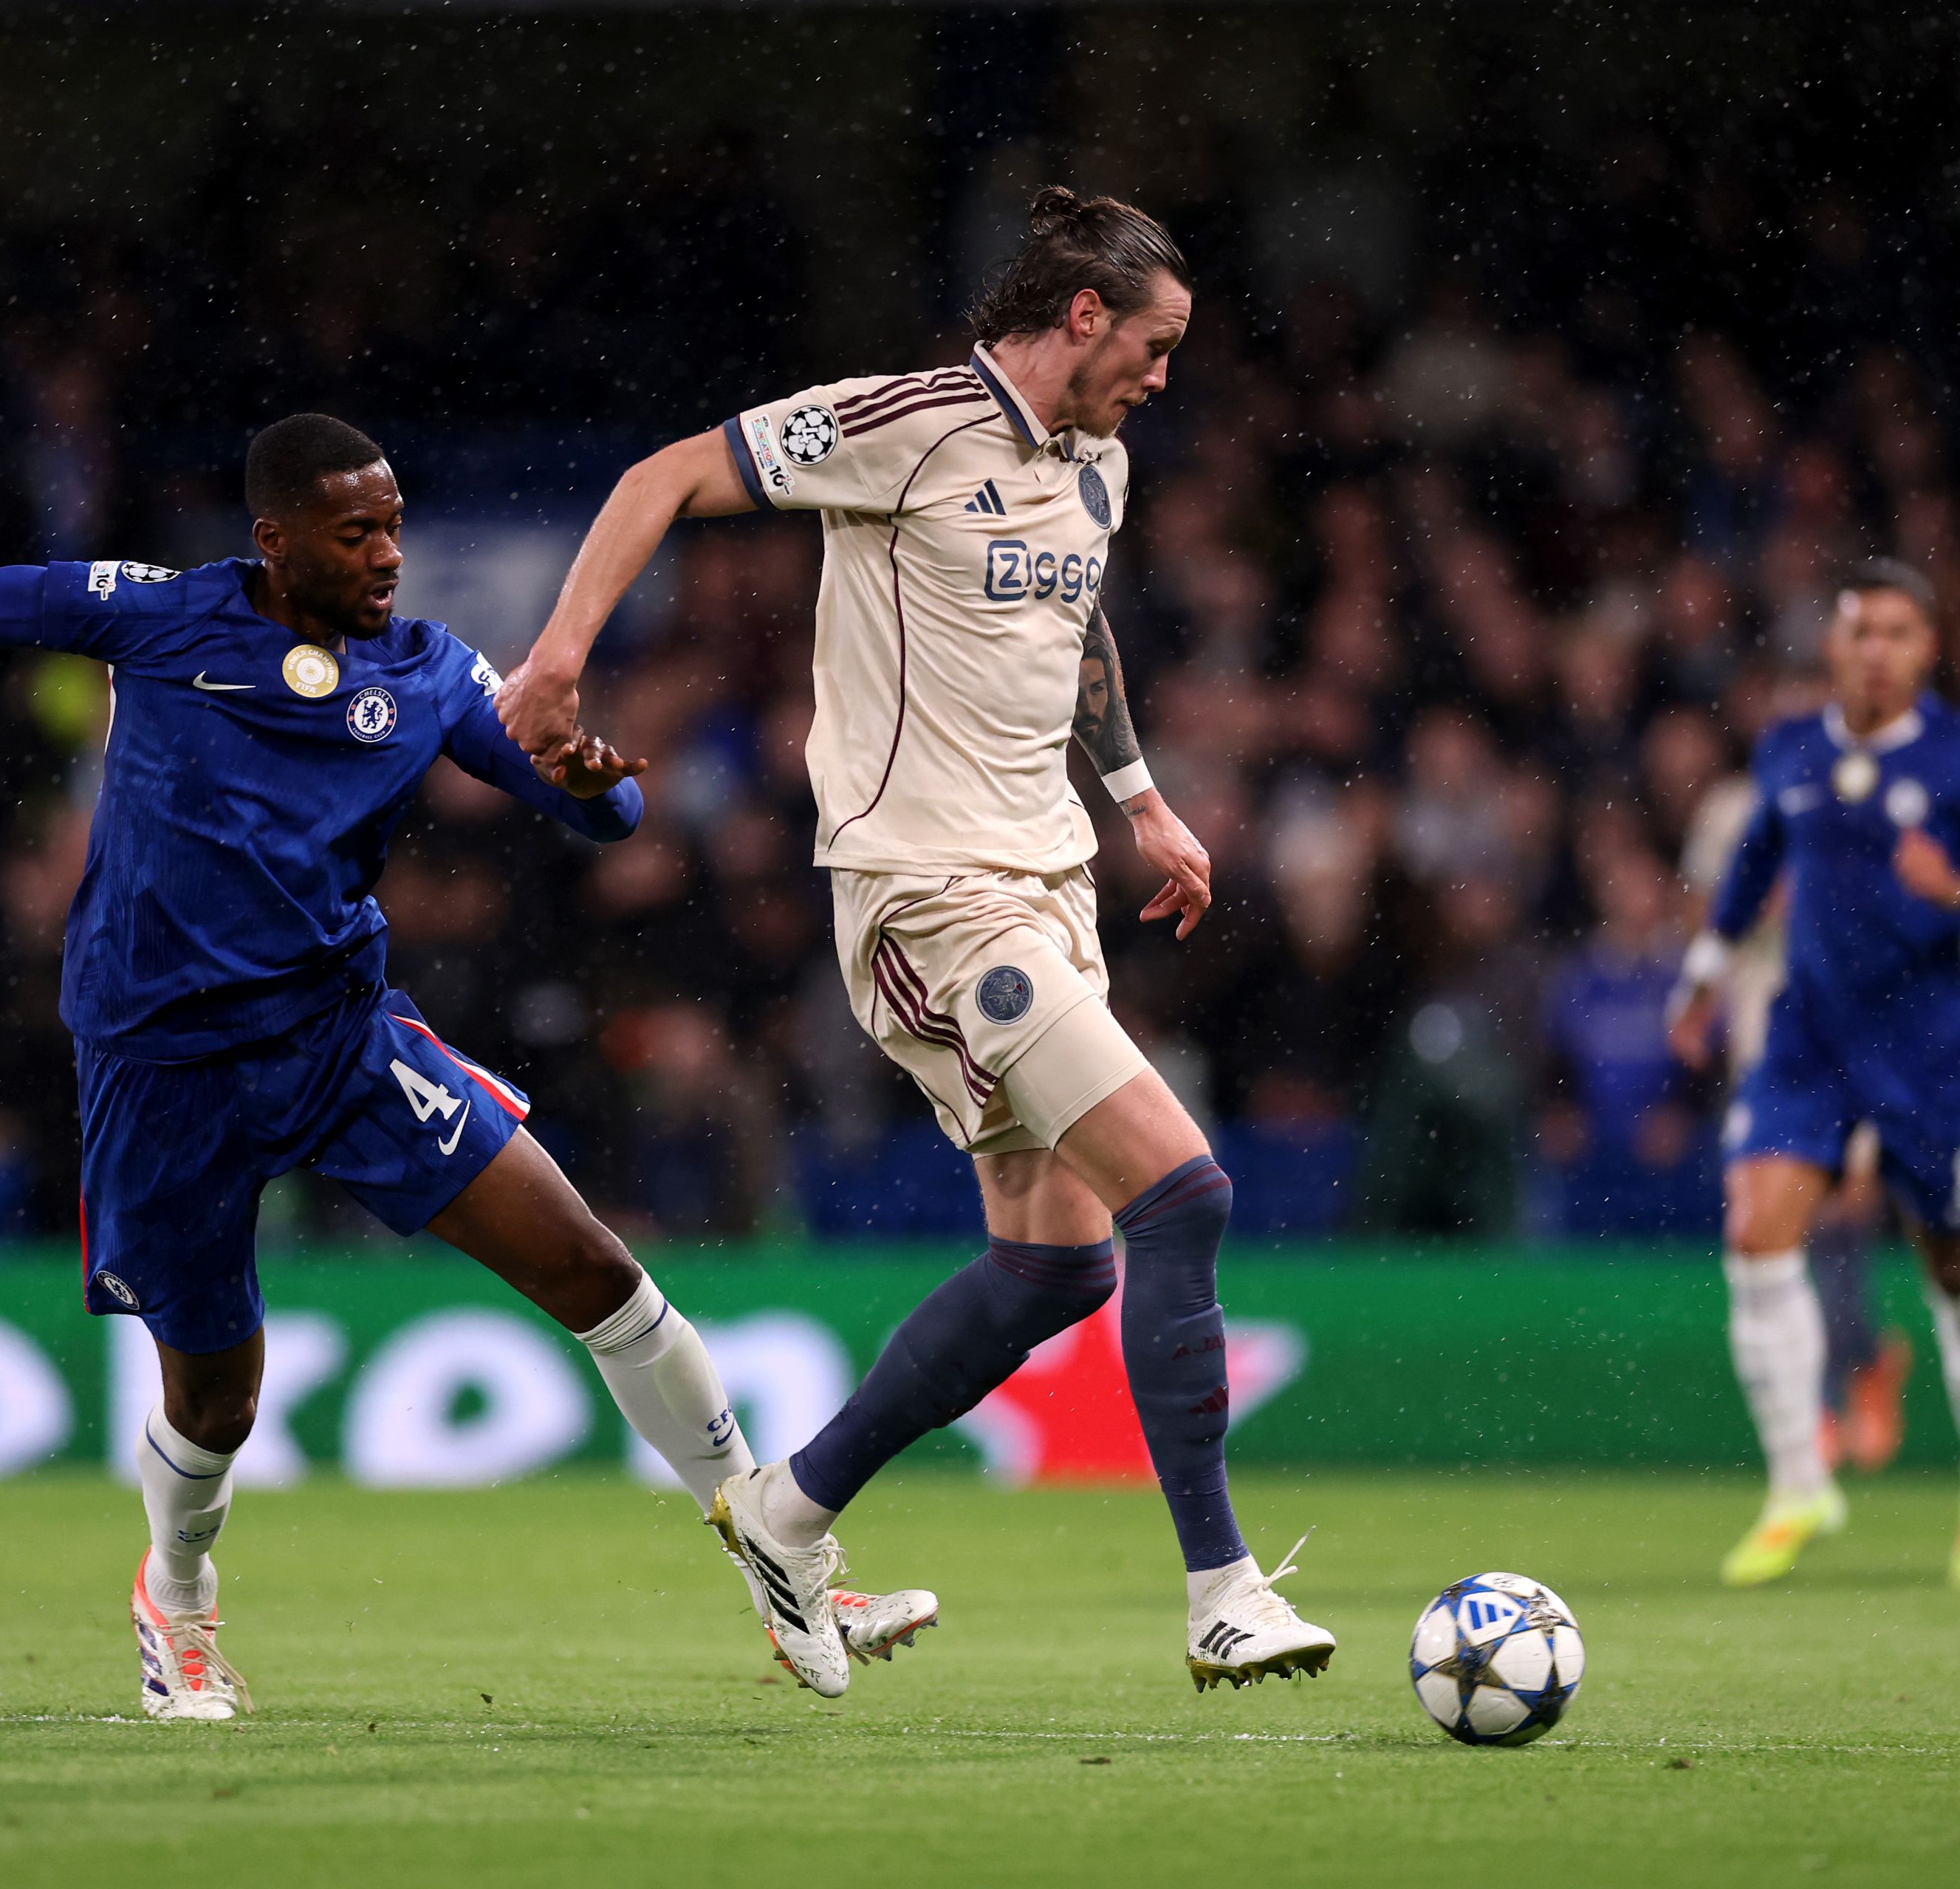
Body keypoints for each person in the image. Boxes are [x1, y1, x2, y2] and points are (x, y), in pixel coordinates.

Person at [0, 412, 931, 1720]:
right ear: (274, 541)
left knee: (592, 1267)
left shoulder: (426, 667)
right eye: (356, 533)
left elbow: (598, 801)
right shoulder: (153, 616)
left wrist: (592, 777)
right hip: (162, 1067)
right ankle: (175, 1602)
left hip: (337, 1039)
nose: (387, 555)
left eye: (393, 527)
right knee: (219, 1397)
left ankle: (774, 1544)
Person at [499, 188, 1334, 1697]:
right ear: (1083, 314)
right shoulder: (907, 421)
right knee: (1184, 1190)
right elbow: (663, 476)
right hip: (927, 900)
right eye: (1152, 344)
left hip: (1054, 885)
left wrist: (1143, 799)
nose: (1163, 375)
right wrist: (557, 664)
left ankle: (787, 1510)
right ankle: (1218, 1589)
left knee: (1055, 1272)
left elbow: (1076, 630)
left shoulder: (1100, 465)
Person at [1668, 560, 1960, 1588]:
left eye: (1897, 632)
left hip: (1927, 1046)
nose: (1875, 649)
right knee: (1755, 1229)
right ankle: (1800, 1480)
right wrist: (1707, 969)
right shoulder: (1790, 745)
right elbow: (1757, 858)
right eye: (1859, 631)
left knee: (1956, 1265)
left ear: (1927, 648)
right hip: (1806, 1033)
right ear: (1833, 644)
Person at [1679, 692, 1911, 1475]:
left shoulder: (1878, 793)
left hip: (1859, 1033)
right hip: (1765, 1043)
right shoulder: (1732, 806)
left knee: (1844, 1211)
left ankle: (1858, 1373)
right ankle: (1825, 1393)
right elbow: (1702, 910)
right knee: (1774, 1223)